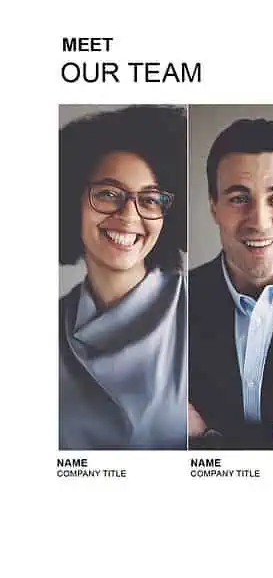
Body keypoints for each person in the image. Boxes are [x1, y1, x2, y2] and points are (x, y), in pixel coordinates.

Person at [59, 105, 187, 450]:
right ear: (72, 200)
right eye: (107, 194)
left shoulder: (203, 308)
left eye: (150, 199)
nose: (129, 215)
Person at [189, 118, 273, 450]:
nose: (259, 221)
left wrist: (209, 439)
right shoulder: (169, 306)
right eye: (238, 198)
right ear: (213, 205)